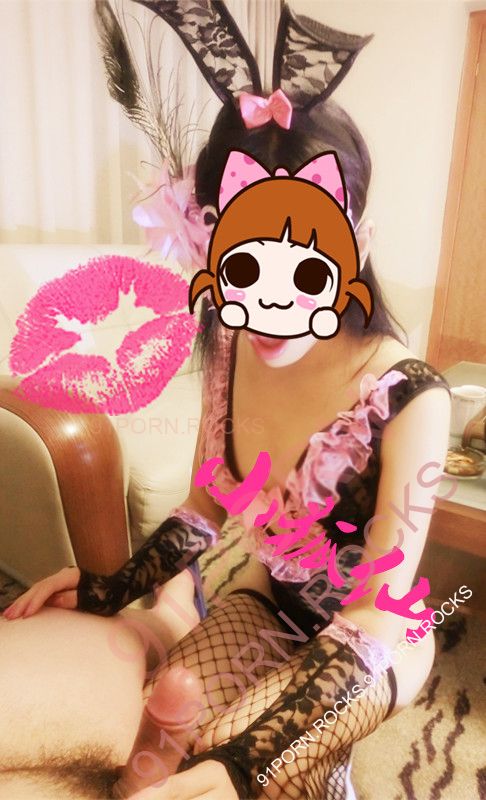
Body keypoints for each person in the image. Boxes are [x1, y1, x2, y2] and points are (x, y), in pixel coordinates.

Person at [3, 3, 451, 798]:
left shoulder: (411, 396)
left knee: (235, 761)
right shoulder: (230, 344)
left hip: (379, 641)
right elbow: (206, 507)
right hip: (271, 598)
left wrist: (245, 763)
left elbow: (378, 616)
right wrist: (108, 587)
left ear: (354, 245)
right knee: (159, 737)